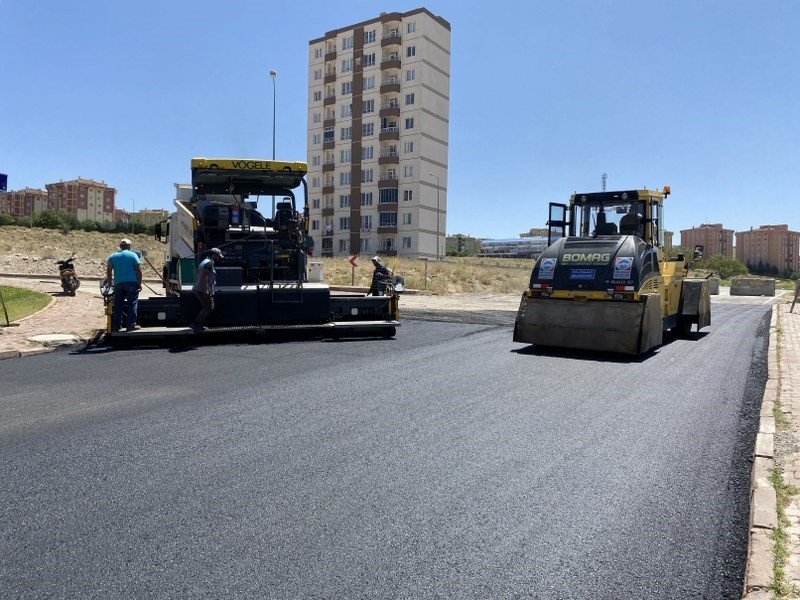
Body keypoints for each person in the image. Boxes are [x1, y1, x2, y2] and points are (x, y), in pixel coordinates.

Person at [105, 238, 142, 332]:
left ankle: (117, 326)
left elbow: (108, 270)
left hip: (118, 284)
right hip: (132, 283)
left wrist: (109, 283)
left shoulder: (113, 256)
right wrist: (139, 283)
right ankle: (131, 325)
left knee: (118, 305)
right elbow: (138, 270)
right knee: (132, 303)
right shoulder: (133, 255)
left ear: (120, 246)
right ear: (129, 246)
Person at [190, 247, 224, 333]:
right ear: (213, 255)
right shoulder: (208, 263)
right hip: (202, 289)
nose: (218, 258)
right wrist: (206, 290)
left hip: (200, 288)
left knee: (206, 307)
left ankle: (199, 325)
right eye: (217, 256)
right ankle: (196, 324)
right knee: (209, 307)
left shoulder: (206, 262)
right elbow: (204, 278)